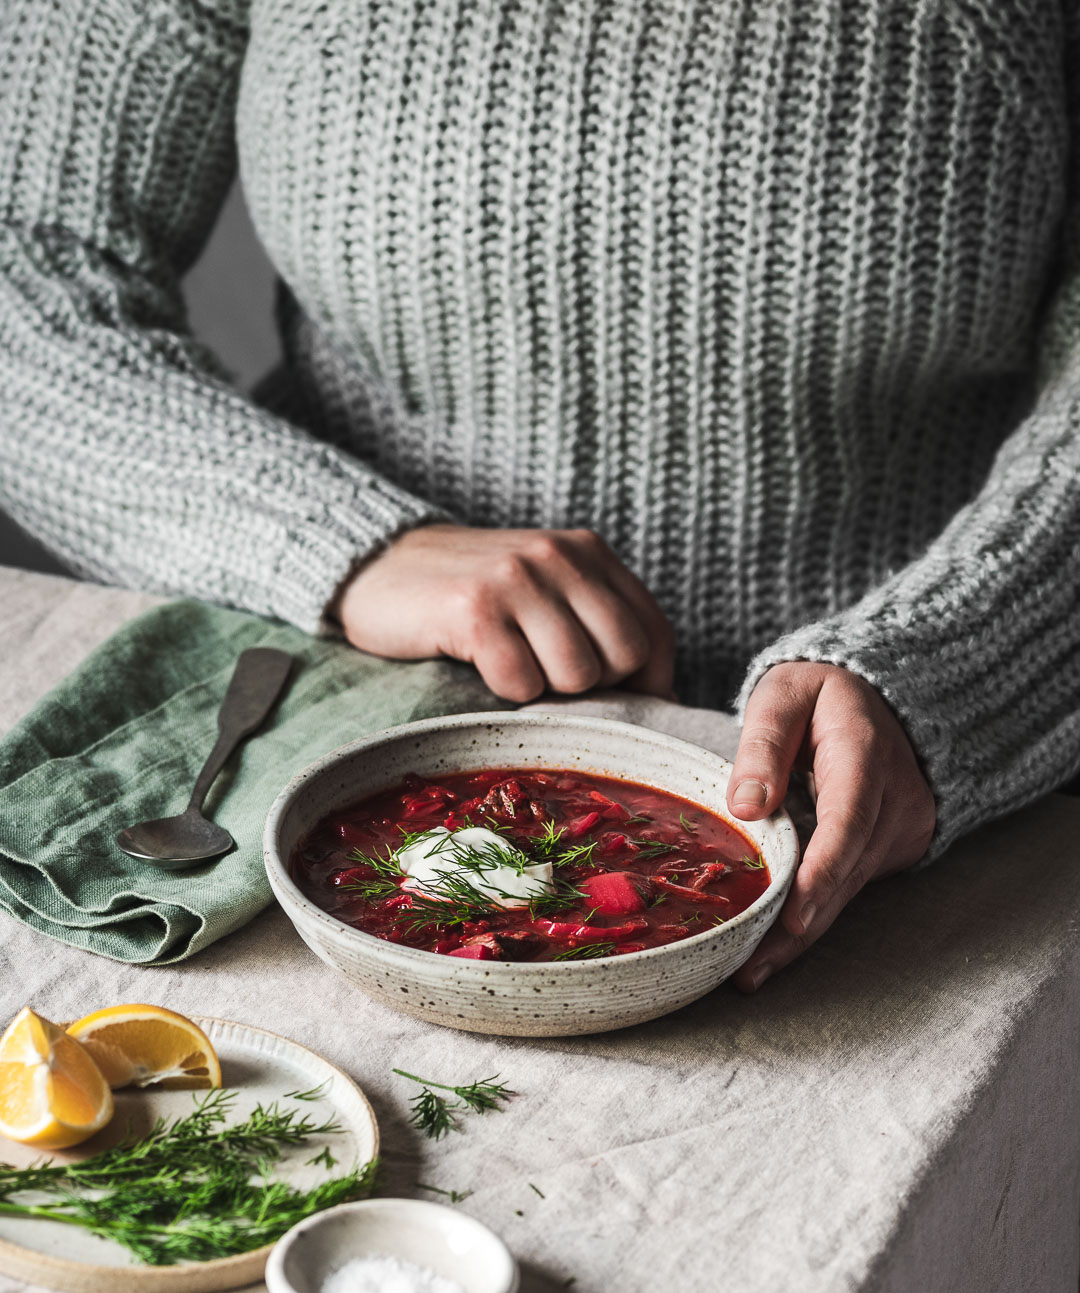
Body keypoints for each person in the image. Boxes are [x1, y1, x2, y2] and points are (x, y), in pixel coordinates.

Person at [1, 1, 1077, 991]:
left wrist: (970, 656)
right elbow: (25, 265)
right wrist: (336, 542)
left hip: (907, 792)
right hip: (326, 740)